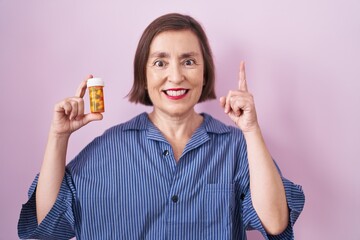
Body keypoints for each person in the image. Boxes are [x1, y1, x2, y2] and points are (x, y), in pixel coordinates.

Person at [18, 13, 304, 239]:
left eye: (189, 61)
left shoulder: (236, 147)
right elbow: (49, 222)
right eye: (160, 63)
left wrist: (251, 130)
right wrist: (59, 136)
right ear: (144, 75)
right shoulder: (109, 147)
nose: (175, 76)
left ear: (204, 74)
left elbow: (275, 222)